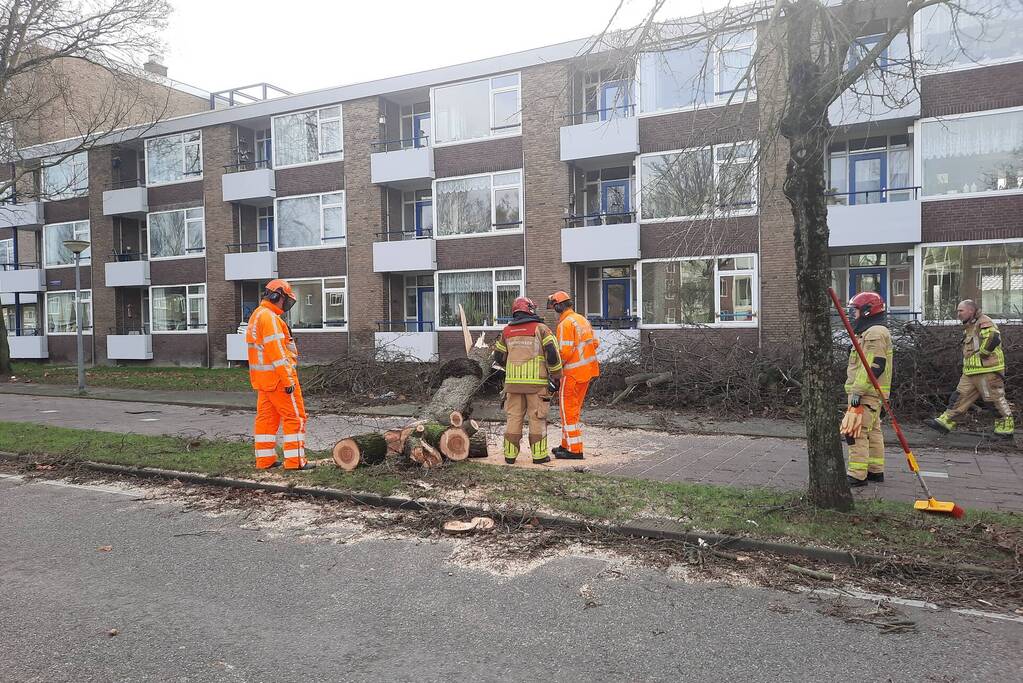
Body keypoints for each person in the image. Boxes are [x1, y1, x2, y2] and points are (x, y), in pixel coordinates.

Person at [246, 279, 313, 470]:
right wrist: (288, 378)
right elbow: (277, 352)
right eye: (286, 300)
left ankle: (265, 460)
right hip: (279, 379)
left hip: (264, 380)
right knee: (295, 418)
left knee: (266, 420)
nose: (286, 305)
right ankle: (295, 461)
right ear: (277, 296)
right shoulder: (270, 318)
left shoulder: (258, 315)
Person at [926, 299, 1014, 437]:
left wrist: (983, 354)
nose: (958, 314)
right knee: (959, 397)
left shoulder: (984, 322)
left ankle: (1005, 430)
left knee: (994, 400)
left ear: (971, 311)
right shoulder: (970, 326)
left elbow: (993, 338)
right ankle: (945, 422)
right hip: (971, 372)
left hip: (987, 371)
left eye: (961, 311)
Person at [492, 296, 563, 465]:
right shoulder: (541, 329)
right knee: (537, 418)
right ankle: (539, 456)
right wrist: (556, 376)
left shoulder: (507, 331)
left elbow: (498, 357)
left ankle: (510, 456)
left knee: (513, 418)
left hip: (513, 385)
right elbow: (553, 356)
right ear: (530, 309)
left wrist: (511, 366)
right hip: (536, 385)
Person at [841, 291, 892, 487]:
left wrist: (858, 391)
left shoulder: (874, 334)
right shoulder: (873, 332)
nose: (852, 315)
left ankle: (857, 474)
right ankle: (875, 470)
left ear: (867, 311)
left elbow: (873, 365)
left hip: (865, 394)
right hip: (873, 394)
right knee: (873, 431)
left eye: (855, 311)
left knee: (855, 432)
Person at [547, 291, 600, 459]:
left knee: (567, 411)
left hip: (571, 374)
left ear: (558, 306)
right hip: (586, 372)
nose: (554, 311)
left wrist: (554, 372)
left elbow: (564, 352)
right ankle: (566, 444)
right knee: (572, 410)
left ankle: (574, 450)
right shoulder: (582, 320)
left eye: (553, 308)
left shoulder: (565, 324)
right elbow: (595, 343)